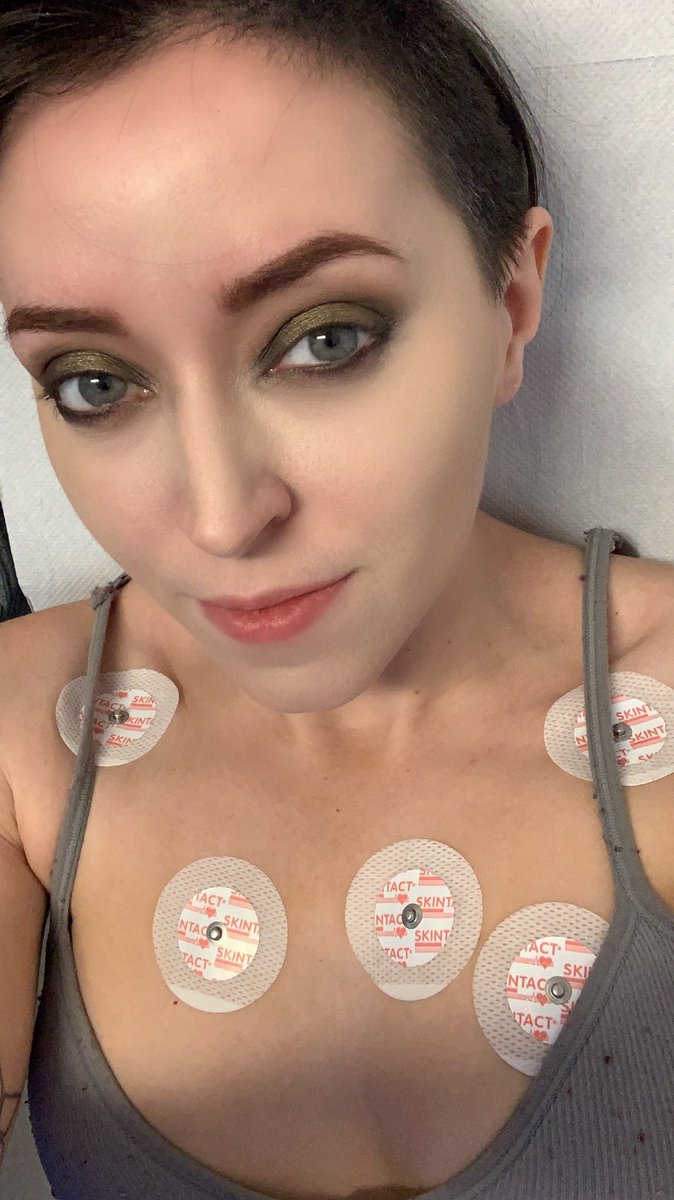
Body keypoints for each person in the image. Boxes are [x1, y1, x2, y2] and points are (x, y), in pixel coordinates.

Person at [0, 4, 672, 1199]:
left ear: (511, 300)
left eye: (323, 340)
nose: (222, 519)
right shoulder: (20, 744)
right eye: (95, 382)